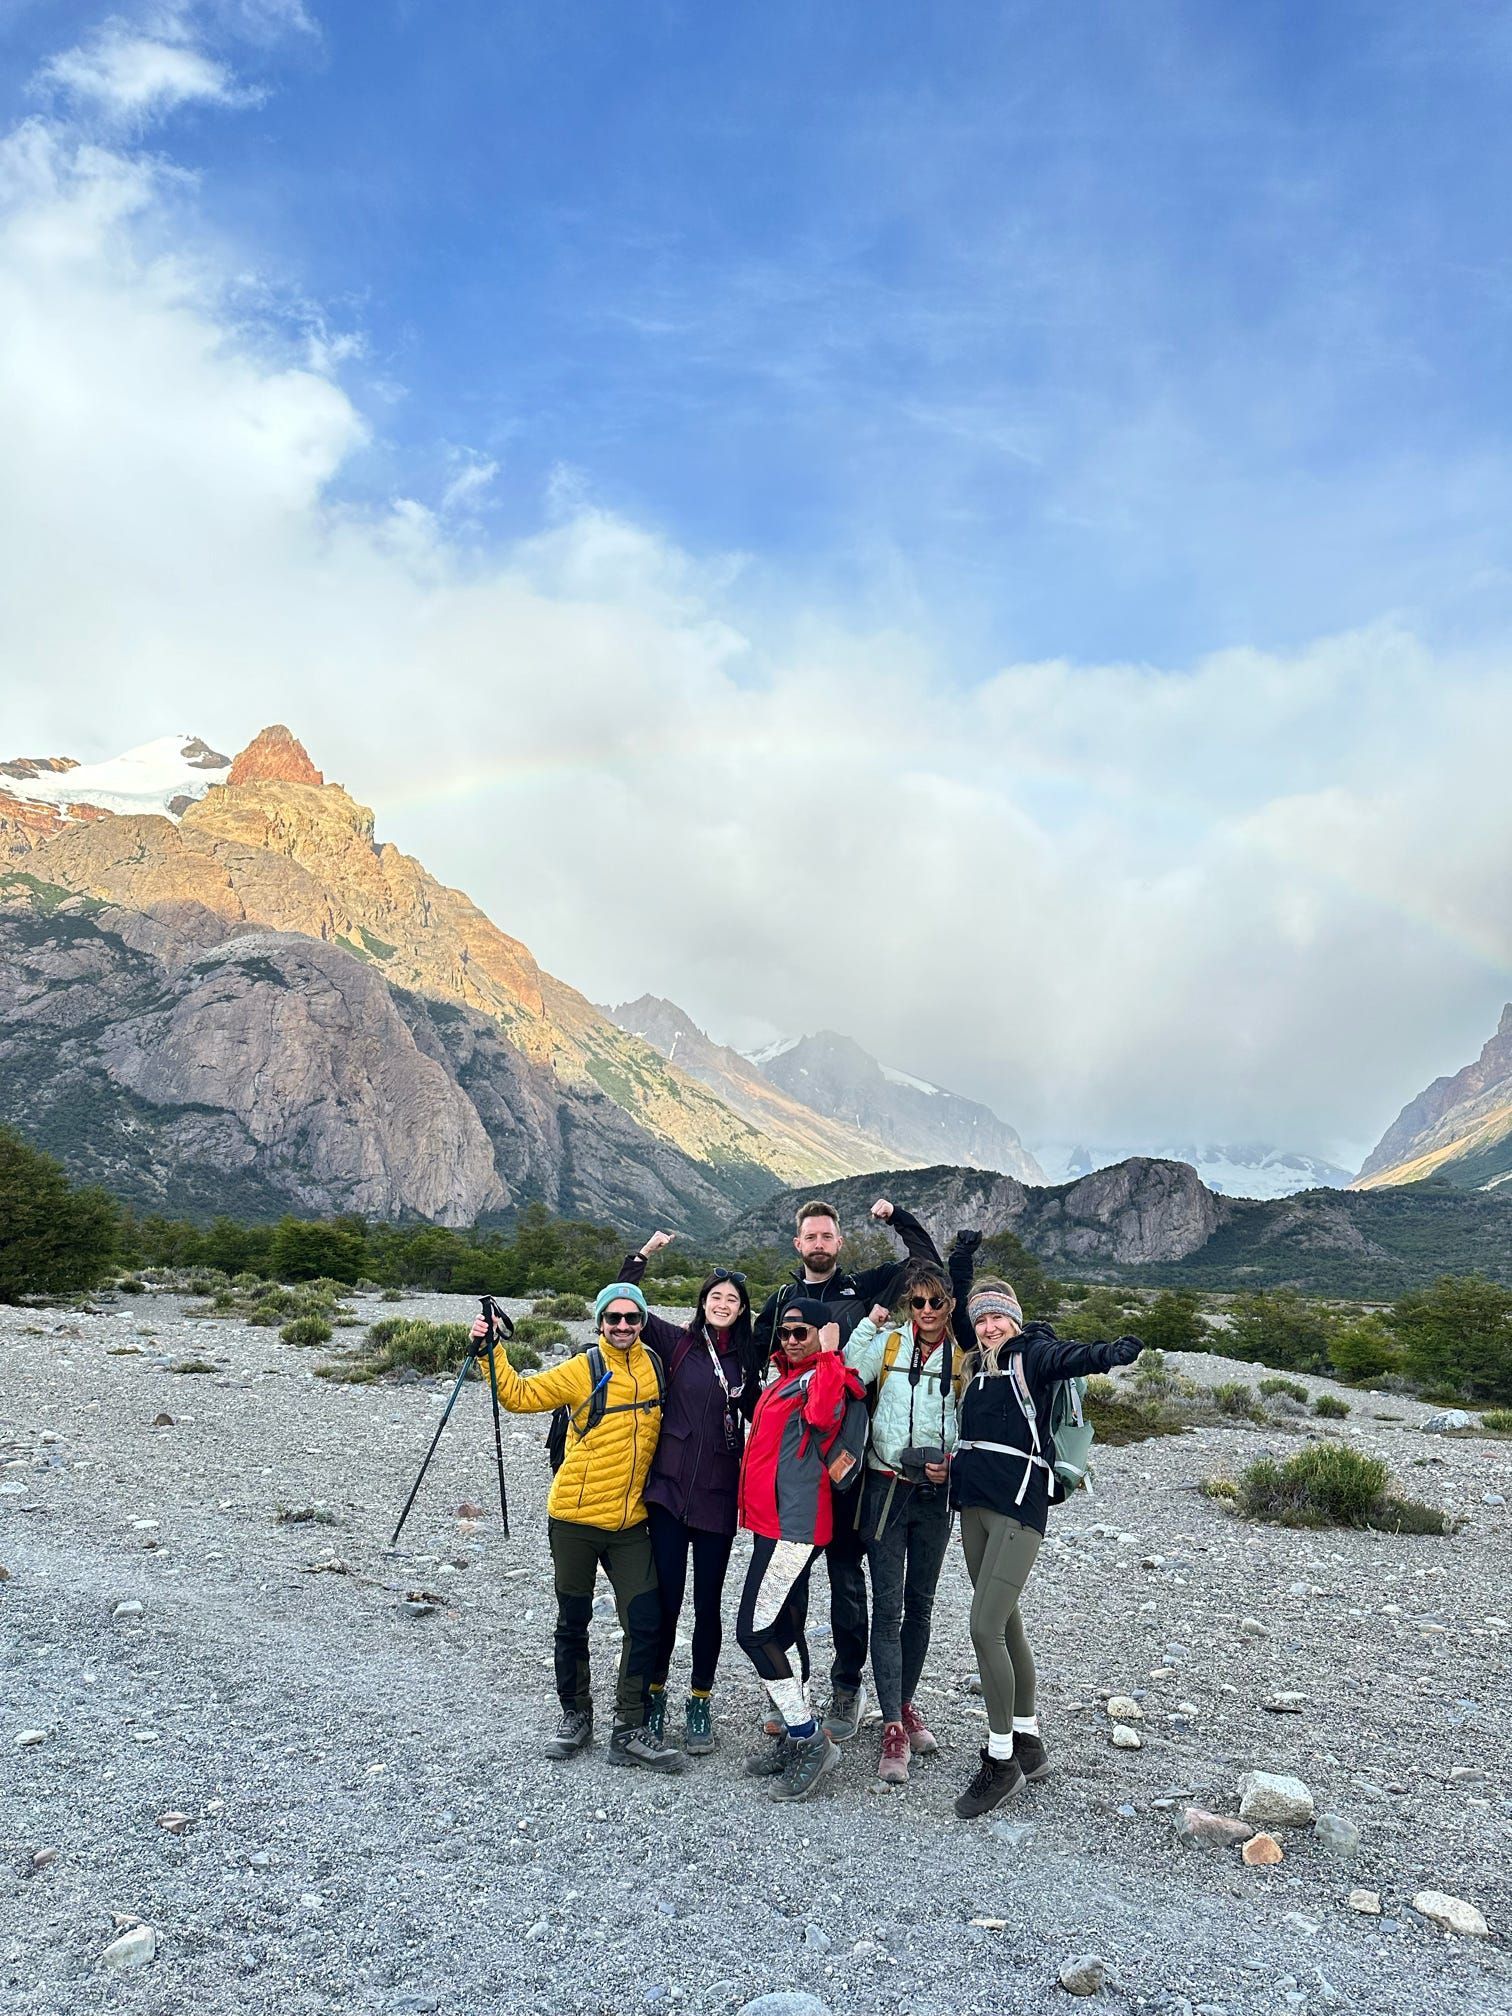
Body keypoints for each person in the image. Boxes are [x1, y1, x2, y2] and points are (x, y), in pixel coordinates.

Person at [469, 1283, 683, 1773]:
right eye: (613, 1318)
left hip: (630, 1522)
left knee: (645, 1623)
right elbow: (518, 1396)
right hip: (573, 1519)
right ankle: (575, 1714)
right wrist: (490, 1351)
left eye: (632, 1318)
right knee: (573, 1621)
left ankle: (628, 1727)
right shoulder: (583, 1368)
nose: (623, 1326)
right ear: (600, 1322)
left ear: (643, 1321)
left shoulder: (656, 1366)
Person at [949, 1278, 1143, 1818]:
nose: (989, 1327)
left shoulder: (1029, 1354)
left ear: (1014, 1318)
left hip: (1017, 1509)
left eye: (997, 1318)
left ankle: (1002, 1760)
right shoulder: (979, 1363)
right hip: (974, 1506)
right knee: (1006, 1621)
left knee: (983, 1629)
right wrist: (961, 1263)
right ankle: (1030, 1742)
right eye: (982, 1319)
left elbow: (1067, 1358)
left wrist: (1109, 1355)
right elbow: (960, 1312)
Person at [752, 1196, 943, 1743]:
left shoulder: (866, 1290)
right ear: (798, 1244)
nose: (817, 1244)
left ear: (838, 1242)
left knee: (845, 1578)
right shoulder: (784, 1301)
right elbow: (750, 1356)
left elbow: (924, 1262)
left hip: (850, 1466)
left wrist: (898, 1217)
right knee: (789, 1584)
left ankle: (846, 1685)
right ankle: (791, 1689)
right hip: (795, 1472)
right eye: (808, 1237)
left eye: (825, 1236)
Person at [611, 1230, 762, 1754]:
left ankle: (700, 1698)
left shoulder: (749, 1360)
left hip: (719, 1494)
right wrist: (644, 1255)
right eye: (715, 1297)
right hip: (671, 1493)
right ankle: (654, 1697)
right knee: (667, 1602)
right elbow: (624, 1297)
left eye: (732, 1300)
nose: (722, 1305)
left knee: (708, 1607)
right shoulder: (676, 1343)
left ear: (741, 1311)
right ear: (703, 1303)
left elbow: (767, 1410)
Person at [842, 1248, 973, 1786]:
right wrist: (871, 1322)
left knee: (920, 1606)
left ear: (949, 1303)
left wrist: (956, 1464)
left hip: (933, 1497)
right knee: (889, 1607)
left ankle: (904, 1700)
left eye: (935, 1301)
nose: (925, 1310)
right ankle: (893, 1724)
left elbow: (977, 1420)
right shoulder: (891, 1342)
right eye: (915, 1301)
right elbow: (850, 1369)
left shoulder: (965, 1358)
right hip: (885, 1488)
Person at [735, 1300, 869, 1803]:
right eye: (786, 1331)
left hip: (794, 1525)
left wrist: (832, 1356)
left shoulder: (824, 1378)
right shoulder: (785, 1377)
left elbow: (821, 1418)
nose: (791, 1338)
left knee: (753, 1630)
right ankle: (798, 1738)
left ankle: (810, 1739)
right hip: (771, 1523)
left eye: (802, 1331)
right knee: (785, 1628)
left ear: (822, 1334)